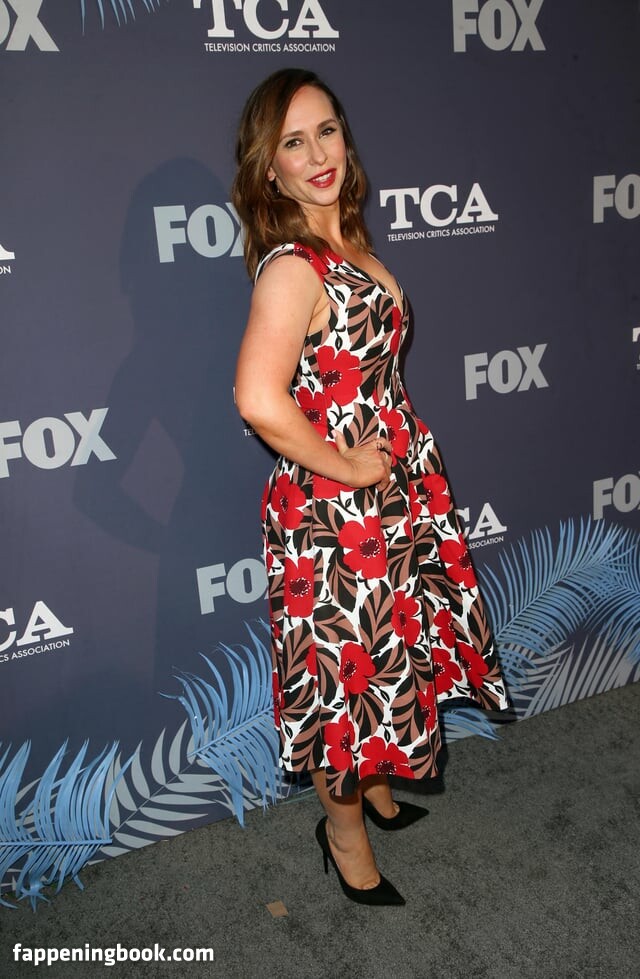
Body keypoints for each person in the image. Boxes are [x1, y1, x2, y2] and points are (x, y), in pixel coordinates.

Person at [233, 68, 508, 907]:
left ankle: (380, 791)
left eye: (327, 131)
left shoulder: (349, 245)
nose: (318, 153)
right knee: (341, 685)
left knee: (386, 657)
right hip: (334, 513)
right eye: (294, 141)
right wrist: (350, 465)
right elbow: (258, 398)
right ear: (270, 167)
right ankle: (343, 835)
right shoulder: (294, 267)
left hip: (390, 498)